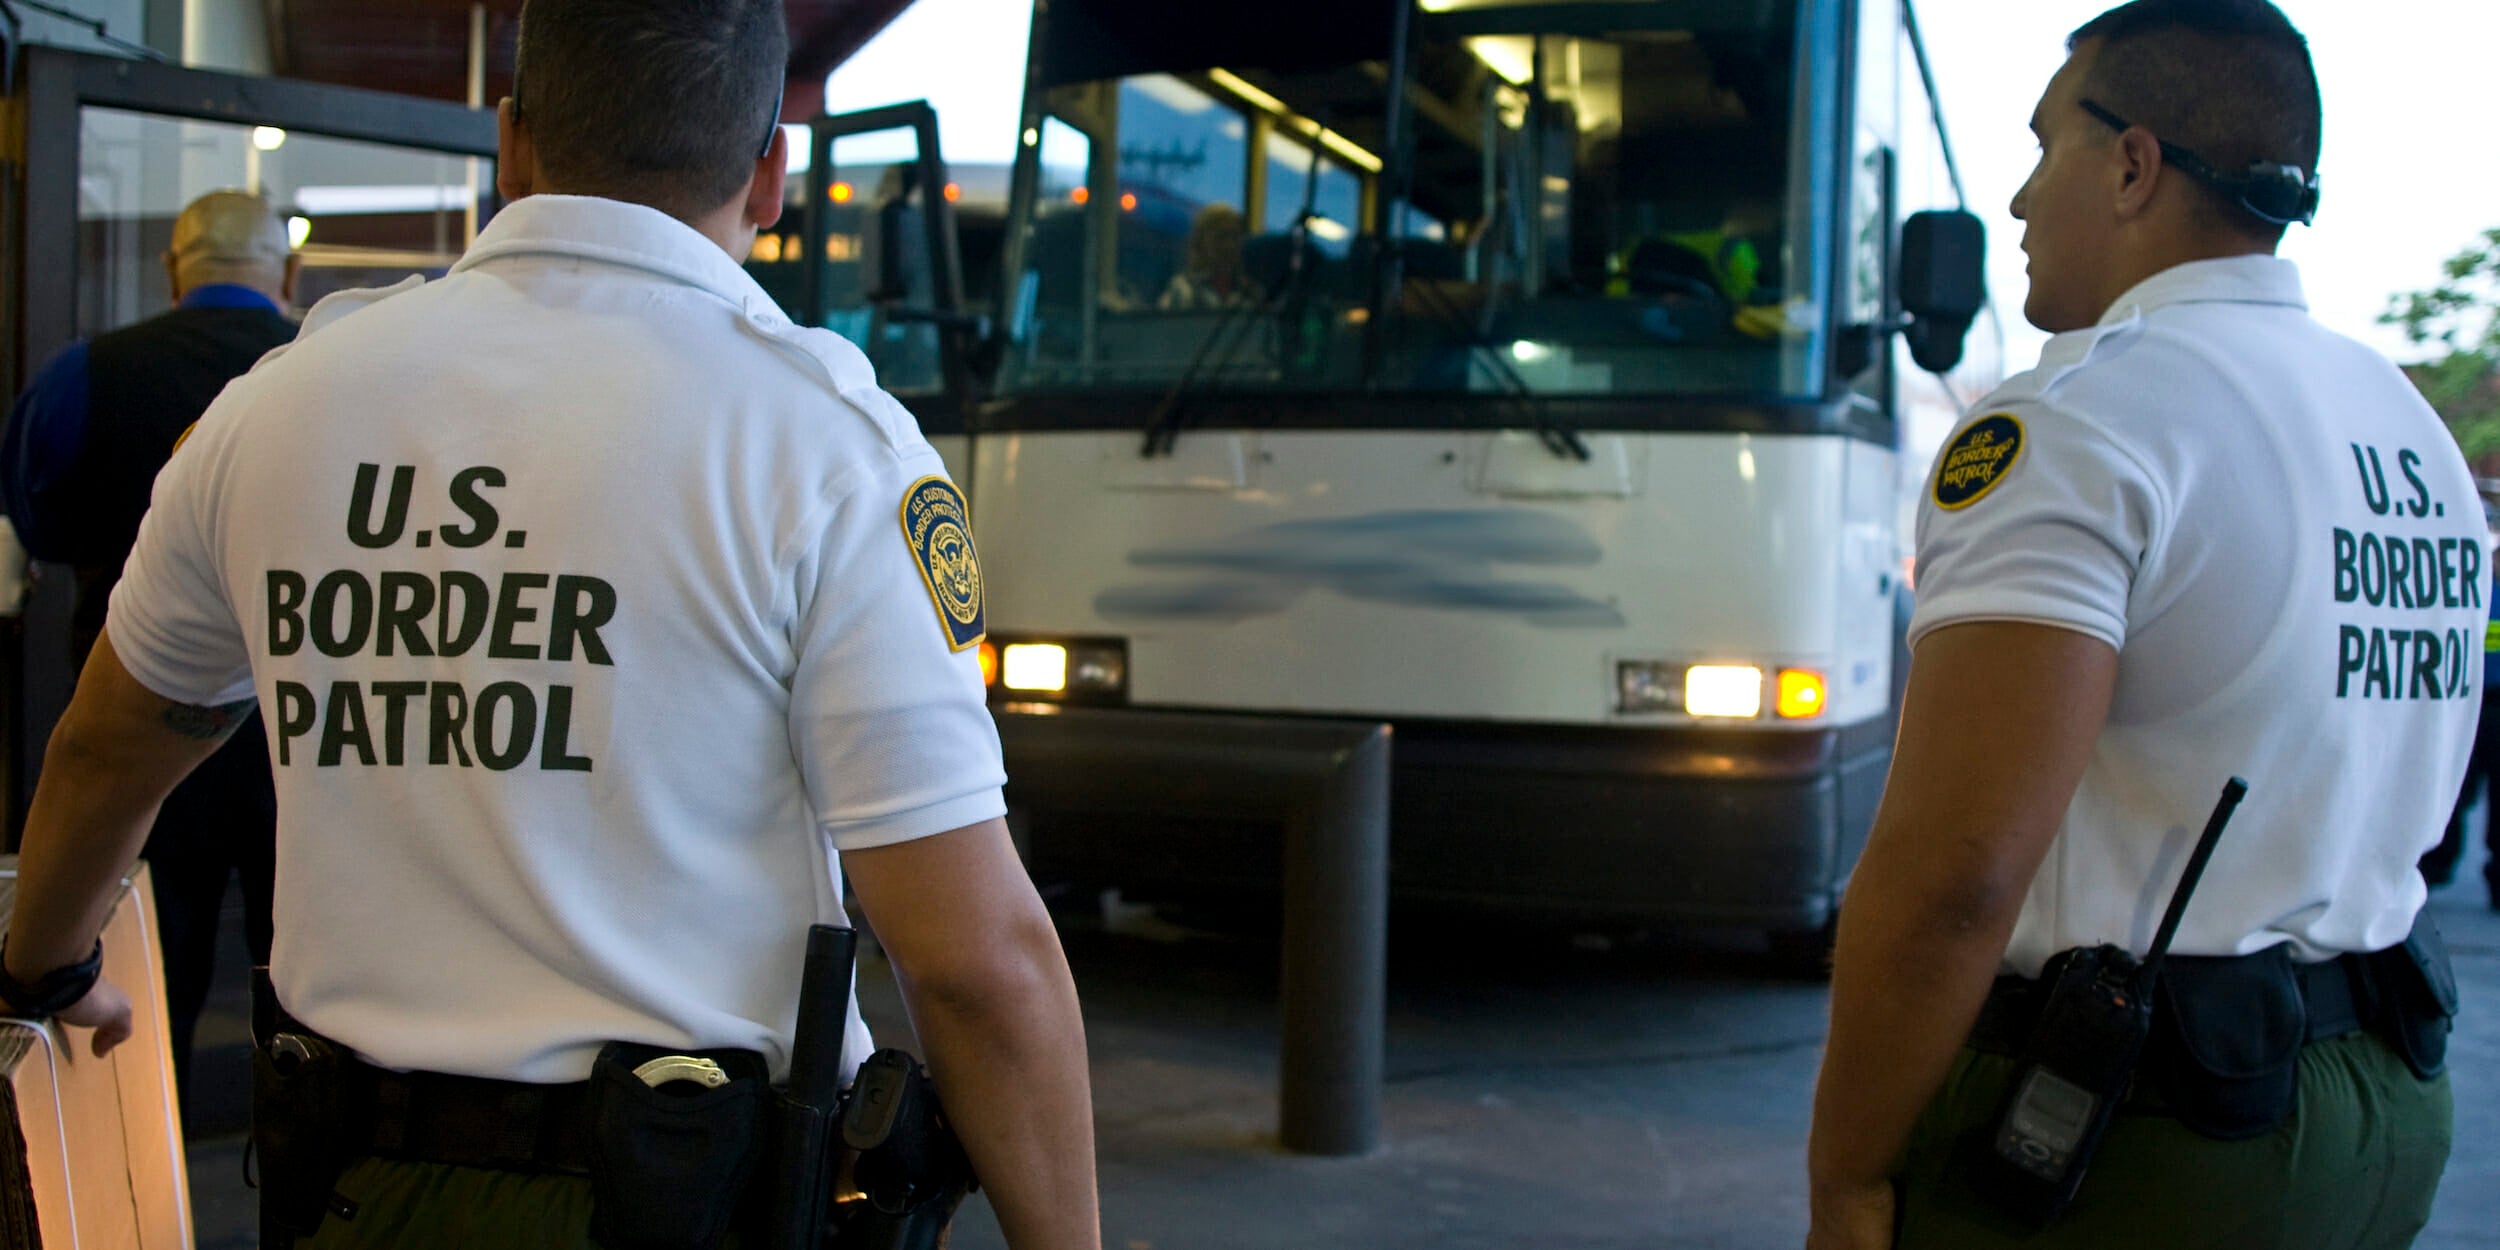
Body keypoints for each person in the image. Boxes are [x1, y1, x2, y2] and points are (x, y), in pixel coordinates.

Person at [0, 1, 1100, 1247]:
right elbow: (972, 961)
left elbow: (109, 744)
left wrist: (45, 965)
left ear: (512, 144)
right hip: (686, 1197)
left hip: (347, 1191)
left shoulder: (273, 412)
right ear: (770, 173)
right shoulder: (827, 449)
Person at [1805, 2, 2465, 1247]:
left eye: (2041, 145)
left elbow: (1955, 876)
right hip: (2386, 1100)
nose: (2015, 199)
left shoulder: (2077, 421)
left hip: (2146, 1135)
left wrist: (1843, 1171)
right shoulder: (2402, 423)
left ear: (2130, 165)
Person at [0, 189, 298, 1103]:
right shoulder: (323, 375)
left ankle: (149, 1139)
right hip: (299, 735)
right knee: (301, 983)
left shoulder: (86, 372)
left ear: (174, 271)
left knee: (151, 962)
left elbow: (38, 519)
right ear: (287, 273)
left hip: (138, 716)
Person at [2421, 545, 2500, 906]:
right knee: (2454, 790)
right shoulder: (2478, 590)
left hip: (2488, 703)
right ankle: (2433, 868)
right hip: (2470, 700)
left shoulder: (2479, 591)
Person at [1158, 203, 1261, 310]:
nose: (1229, 246)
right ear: (1201, 242)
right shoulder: (1182, 289)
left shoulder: (1251, 293)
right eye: (1221, 237)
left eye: (1234, 237)